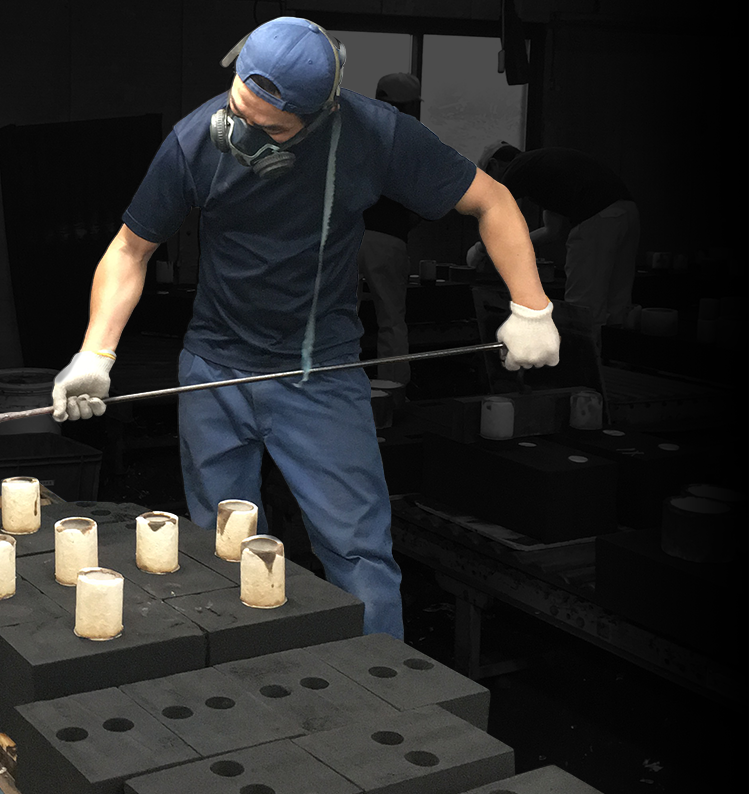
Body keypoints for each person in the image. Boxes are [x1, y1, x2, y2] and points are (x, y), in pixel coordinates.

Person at [50, 17, 559, 639]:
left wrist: (531, 307)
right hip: (214, 370)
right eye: (238, 110)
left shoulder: (375, 134)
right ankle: (244, 679)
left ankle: (385, 688)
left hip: (320, 374)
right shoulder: (195, 140)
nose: (242, 135)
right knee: (223, 554)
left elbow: (491, 200)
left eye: (269, 130)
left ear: (323, 112)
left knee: (358, 553)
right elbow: (131, 250)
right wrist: (95, 353)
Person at [471, 142, 640, 342]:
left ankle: (582, 360)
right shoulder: (543, 170)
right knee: (617, 305)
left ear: (494, 165)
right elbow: (553, 231)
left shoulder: (517, 167)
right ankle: (612, 358)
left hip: (596, 219)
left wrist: (480, 250)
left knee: (583, 306)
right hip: (627, 212)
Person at [358, 73, 425, 384]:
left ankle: (336, 393)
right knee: (392, 321)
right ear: (409, 106)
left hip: (345, 236)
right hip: (388, 238)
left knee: (339, 321)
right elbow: (424, 203)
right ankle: (393, 391)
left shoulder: (356, 134)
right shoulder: (412, 142)